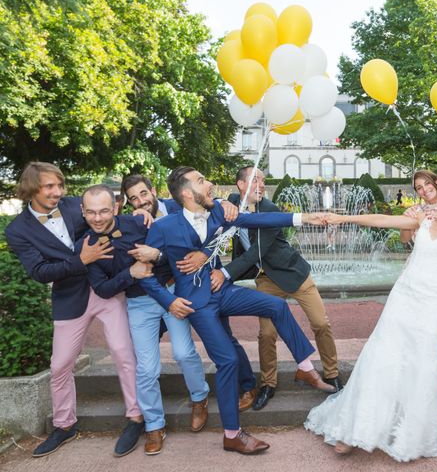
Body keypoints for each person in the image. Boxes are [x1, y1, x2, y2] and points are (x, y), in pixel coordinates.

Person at [140, 166, 335, 455]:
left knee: (277, 306)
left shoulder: (219, 212)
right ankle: (232, 434)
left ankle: (304, 368)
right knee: (228, 360)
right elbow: (144, 274)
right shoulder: (163, 227)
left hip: (223, 291)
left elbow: (262, 218)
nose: (209, 183)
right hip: (198, 303)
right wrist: (168, 302)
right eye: (201, 180)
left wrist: (304, 218)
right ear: (185, 193)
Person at [305, 180, 437, 462]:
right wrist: (343, 217)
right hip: (403, 297)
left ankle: (407, 435)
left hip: (433, 305)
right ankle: (354, 429)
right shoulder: (423, 218)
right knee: (382, 356)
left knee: (423, 364)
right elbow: (381, 220)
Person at [4, 162, 149, 458]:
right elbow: (40, 271)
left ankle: (136, 417)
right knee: (59, 365)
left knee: (123, 353)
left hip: (108, 289)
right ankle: (64, 424)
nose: (58, 191)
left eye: (60, 185)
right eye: (49, 186)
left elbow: (108, 218)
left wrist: (141, 213)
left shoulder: (76, 205)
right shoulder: (17, 230)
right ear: (32, 188)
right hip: (69, 297)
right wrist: (81, 260)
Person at [79, 185, 212, 455]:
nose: (98, 218)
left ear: (116, 207)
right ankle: (154, 424)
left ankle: (200, 397)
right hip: (138, 304)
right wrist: (130, 272)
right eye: (91, 212)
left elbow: (168, 257)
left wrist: (158, 256)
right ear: (83, 212)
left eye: (104, 210)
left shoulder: (140, 222)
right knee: (146, 369)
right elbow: (103, 289)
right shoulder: (86, 245)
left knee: (184, 352)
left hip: (168, 293)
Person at [220, 167, 342, 411]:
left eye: (264, 181)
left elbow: (256, 252)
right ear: (241, 185)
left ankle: (331, 373)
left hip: (293, 273)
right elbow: (218, 202)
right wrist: (222, 201)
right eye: (256, 180)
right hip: (265, 279)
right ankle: (268, 383)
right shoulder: (232, 203)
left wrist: (224, 274)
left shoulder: (270, 210)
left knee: (321, 323)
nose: (262, 185)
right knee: (266, 334)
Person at [399, 170, 437, 245]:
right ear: (417, 192)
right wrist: (406, 218)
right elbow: (404, 239)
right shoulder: (415, 210)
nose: (425, 189)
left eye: (427, 183)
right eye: (419, 188)